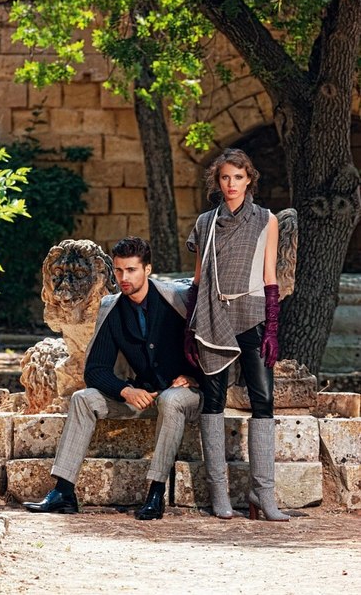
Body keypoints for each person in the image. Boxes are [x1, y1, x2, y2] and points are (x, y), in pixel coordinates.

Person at [23, 236, 202, 520]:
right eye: (118, 270)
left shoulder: (177, 299)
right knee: (83, 398)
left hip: (186, 393)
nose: (123, 278)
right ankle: (64, 492)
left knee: (171, 400)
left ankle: (156, 493)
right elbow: (95, 370)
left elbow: (209, 343)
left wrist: (194, 376)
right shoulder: (112, 307)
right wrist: (126, 391)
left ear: (147, 269)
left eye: (131, 270)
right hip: (142, 394)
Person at [184, 148, 290, 522]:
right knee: (213, 401)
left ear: (249, 180)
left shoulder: (266, 220)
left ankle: (263, 494)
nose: (231, 184)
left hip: (253, 316)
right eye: (225, 177)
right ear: (218, 181)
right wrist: (189, 330)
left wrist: (272, 328)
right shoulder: (205, 223)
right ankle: (219, 494)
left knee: (263, 400)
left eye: (238, 177)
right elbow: (198, 280)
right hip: (212, 317)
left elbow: (271, 276)